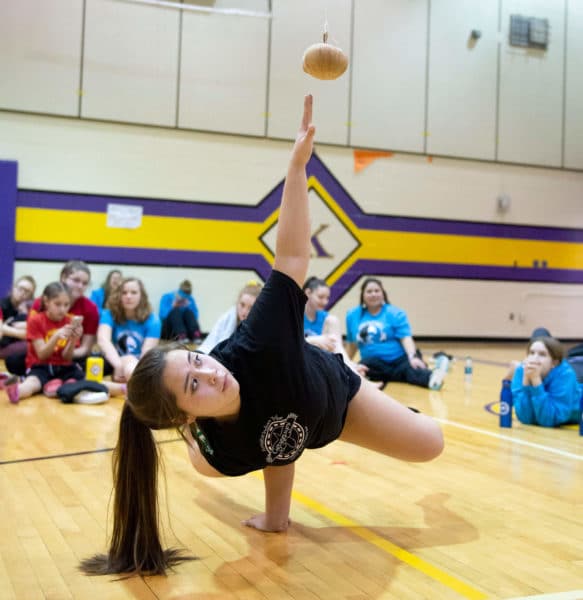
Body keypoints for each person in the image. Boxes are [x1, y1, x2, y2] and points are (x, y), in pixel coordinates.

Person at [80, 95, 444, 577]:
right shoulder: (217, 455)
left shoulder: (258, 342)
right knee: (223, 455)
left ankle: (394, 408)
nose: (212, 373)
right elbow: (275, 446)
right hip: (285, 418)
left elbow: (292, 258)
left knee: (430, 444)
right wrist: (276, 520)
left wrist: (297, 168)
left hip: (337, 399)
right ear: (185, 418)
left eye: (197, 361)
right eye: (194, 386)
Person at [345, 277, 449, 390]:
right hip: (374, 363)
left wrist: (412, 357)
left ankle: (433, 378)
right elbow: (352, 344)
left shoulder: (395, 313)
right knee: (362, 369)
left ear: (383, 294)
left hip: (400, 359)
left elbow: (405, 338)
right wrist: (345, 364)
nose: (373, 294)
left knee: (413, 367)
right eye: (369, 291)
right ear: (363, 296)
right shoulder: (353, 315)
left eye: (377, 291)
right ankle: (400, 375)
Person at [5, 261, 99, 376]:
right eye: (76, 280)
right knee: (14, 361)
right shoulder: (40, 303)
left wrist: (63, 355)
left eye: (85, 283)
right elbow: (34, 338)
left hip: (70, 355)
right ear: (63, 277)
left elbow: (85, 348)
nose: (80, 286)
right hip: (43, 353)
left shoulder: (90, 308)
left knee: (97, 362)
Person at [4, 282, 84, 404]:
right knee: (32, 383)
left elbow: (66, 357)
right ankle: (16, 391)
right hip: (40, 365)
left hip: (63, 366)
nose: (62, 309)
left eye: (66, 305)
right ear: (46, 301)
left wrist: (73, 339)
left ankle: (63, 387)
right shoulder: (35, 321)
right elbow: (42, 354)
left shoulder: (69, 320)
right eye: (57, 304)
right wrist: (56, 336)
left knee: (77, 377)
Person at [502, 335, 582, 427]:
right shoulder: (522, 370)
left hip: (578, 367)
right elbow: (525, 418)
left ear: (554, 363)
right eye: (531, 353)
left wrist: (536, 381)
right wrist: (526, 381)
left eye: (542, 354)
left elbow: (549, 420)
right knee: (540, 331)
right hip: (568, 363)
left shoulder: (566, 374)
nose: (534, 359)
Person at [98, 277, 161, 383]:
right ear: (118, 296)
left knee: (133, 361)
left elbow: (146, 354)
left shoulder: (153, 320)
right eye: (124, 292)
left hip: (138, 366)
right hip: (113, 362)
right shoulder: (108, 314)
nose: (128, 296)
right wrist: (118, 364)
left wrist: (130, 366)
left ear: (142, 296)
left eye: (134, 292)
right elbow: (103, 340)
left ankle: (127, 386)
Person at [198, 280, 263, 354]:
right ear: (237, 302)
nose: (244, 312)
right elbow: (211, 342)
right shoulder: (229, 316)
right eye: (242, 305)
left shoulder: (260, 327)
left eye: (251, 308)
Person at [0, 275, 36, 361]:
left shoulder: (31, 310)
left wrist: (7, 327)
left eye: (27, 291)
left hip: (15, 343)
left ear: (31, 296)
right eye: (20, 288)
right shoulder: (2, 305)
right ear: (13, 288)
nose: (22, 293)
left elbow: (35, 333)